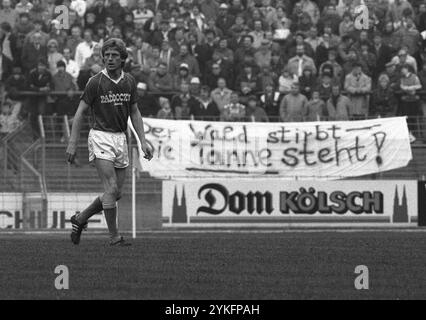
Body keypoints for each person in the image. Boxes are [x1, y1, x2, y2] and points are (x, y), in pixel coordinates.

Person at [66, 38, 153, 246]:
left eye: (114, 55)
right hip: (100, 137)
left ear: (123, 59)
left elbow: (134, 111)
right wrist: (72, 142)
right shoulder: (95, 82)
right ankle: (114, 238)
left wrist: (143, 141)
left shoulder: (130, 81)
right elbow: (80, 113)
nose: (109, 58)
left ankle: (80, 219)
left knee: (115, 193)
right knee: (112, 188)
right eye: (107, 55)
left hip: (120, 138)